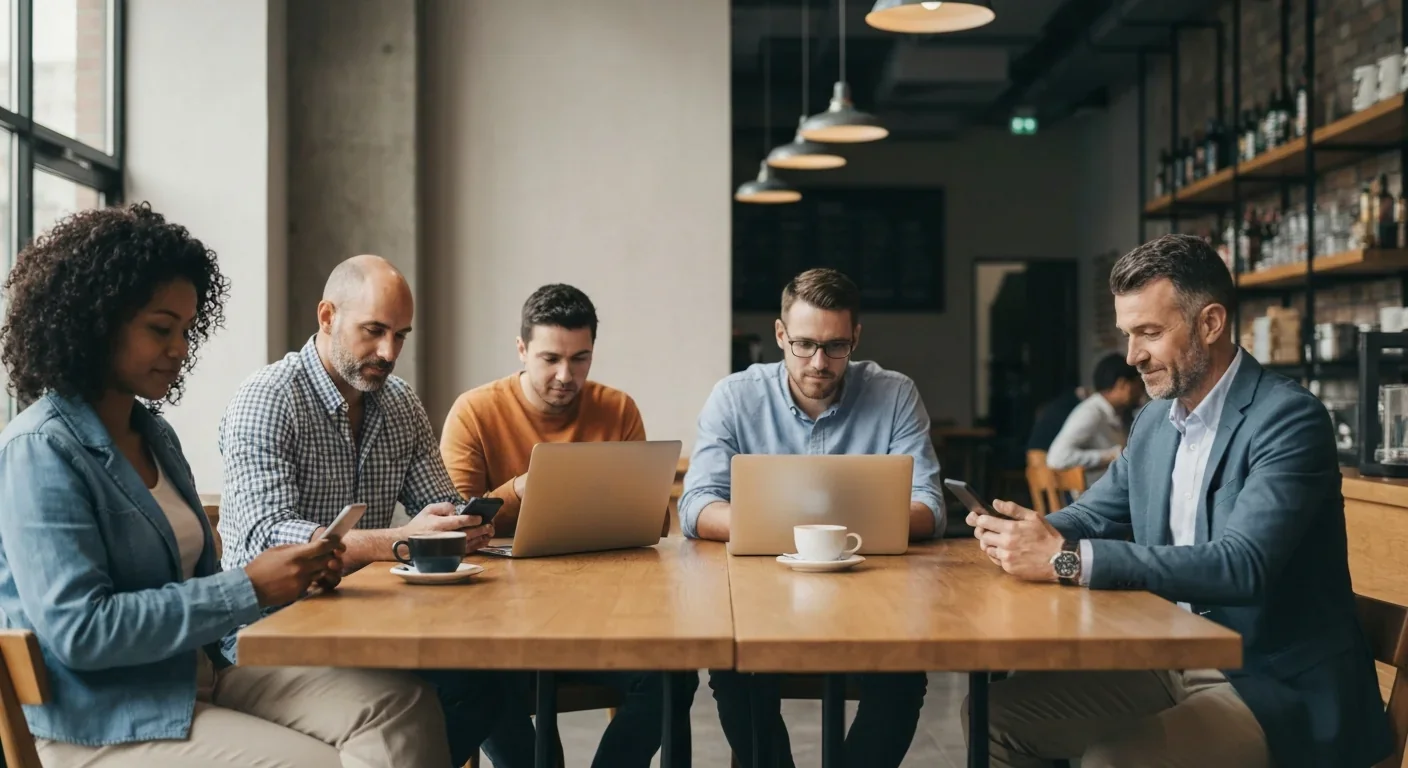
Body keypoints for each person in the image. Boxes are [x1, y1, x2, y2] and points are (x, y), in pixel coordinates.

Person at [0, 204, 451, 766]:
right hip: (105, 717)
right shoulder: (38, 449)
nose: (181, 349)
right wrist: (251, 587)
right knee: (321, 762)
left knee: (406, 708)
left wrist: (296, 575)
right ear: (97, 321)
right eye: (161, 329)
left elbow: (196, 580)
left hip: (200, 673)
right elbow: (81, 632)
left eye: (187, 330)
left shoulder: (154, 435)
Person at [966, 234, 1392, 768]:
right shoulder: (1154, 422)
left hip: (1271, 684)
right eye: (1127, 334)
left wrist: (1064, 561)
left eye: (1149, 332)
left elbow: (1243, 564)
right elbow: (1095, 513)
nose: (1131, 356)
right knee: (992, 718)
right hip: (1169, 660)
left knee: (1114, 761)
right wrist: (1021, 531)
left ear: (1210, 323)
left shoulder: (1288, 419)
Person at [217, 254, 532, 767]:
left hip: (363, 620)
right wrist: (403, 540)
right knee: (463, 689)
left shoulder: (399, 402)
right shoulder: (268, 398)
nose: (389, 352)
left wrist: (463, 521)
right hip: (267, 634)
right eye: (374, 331)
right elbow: (265, 537)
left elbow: (440, 501)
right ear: (327, 317)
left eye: (401, 335)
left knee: (494, 681)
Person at [680, 267, 941, 768]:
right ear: (780, 335)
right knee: (733, 670)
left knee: (906, 671)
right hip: (760, 598)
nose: (818, 362)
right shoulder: (735, 396)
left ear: (856, 338)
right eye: (803, 345)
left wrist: (790, 525)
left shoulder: (895, 393)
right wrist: (809, 531)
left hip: (875, 597)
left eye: (836, 346)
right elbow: (696, 506)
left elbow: (928, 507)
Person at [440, 282, 698, 768]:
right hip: (500, 622)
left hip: (601, 613)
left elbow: (654, 524)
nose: (566, 374)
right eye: (550, 358)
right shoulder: (474, 412)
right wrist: (519, 489)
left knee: (673, 676)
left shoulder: (618, 409)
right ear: (521, 350)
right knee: (482, 685)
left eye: (580, 359)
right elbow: (454, 522)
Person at [1045, 352, 1144, 485]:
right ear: (1123, 384)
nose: (1141, 390)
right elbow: (1057, 457)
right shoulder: (1091, 412)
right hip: (1092, 499)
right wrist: (1112, 455)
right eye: (1138, 383)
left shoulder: (1117, 413)